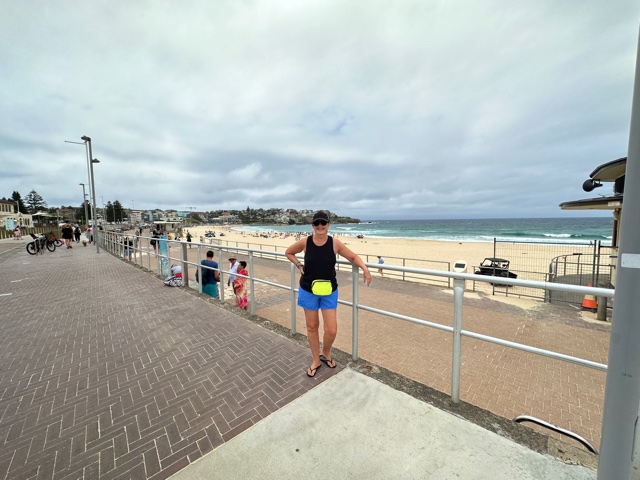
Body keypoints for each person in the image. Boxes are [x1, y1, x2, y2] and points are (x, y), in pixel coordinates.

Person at [285, 210, 372, 377]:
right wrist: (298, 265)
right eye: (316, 223)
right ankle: (316, 359)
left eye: (323, 223)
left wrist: (365, 269)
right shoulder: (305, 242)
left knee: (331, 329)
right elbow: (288, 252)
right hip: (308, 289)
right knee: (312, 327)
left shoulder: (334, 243)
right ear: (312, 226)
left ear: (328, 225)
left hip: (329, 291)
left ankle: (325, 352)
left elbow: (353, 257)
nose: (320, 226)